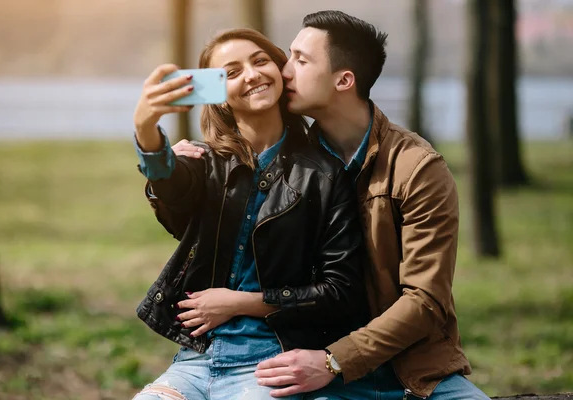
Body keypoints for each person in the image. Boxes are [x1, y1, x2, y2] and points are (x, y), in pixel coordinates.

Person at [175, 10, 490, 400]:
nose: (282, 71)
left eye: (301, 61)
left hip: (407, 368)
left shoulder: (416, 168)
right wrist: (168, 164)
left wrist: (333, 360)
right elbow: (203, 198)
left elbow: (425, 302)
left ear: (344, 80)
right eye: (287, 56)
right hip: (299, 355)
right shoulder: (284, 158)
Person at [131, 27, 368, 400]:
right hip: (194, 362)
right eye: (232, 72)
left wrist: (238, 301)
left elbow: (340, 291)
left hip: (270, 361)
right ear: (218, 96)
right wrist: (146, 128)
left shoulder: (324, 175)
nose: (252, 75)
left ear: (280, 71)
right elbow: (172, 187)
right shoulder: (201, 162)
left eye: (260, 62)